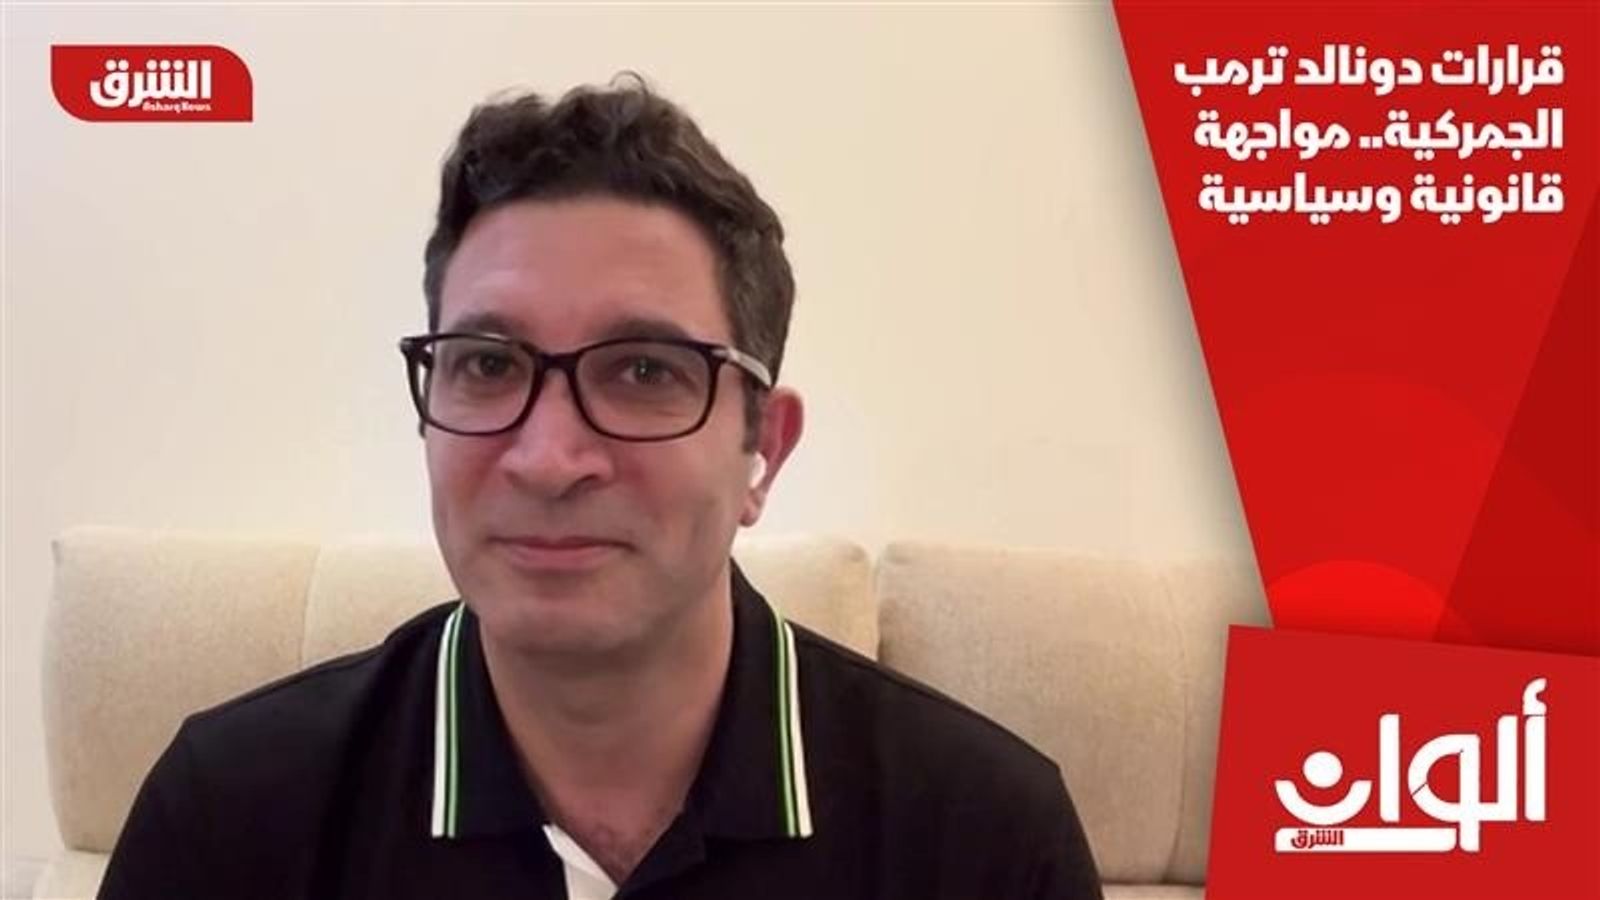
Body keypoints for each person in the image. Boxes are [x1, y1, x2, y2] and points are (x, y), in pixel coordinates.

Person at [99, 74, 1102, 900]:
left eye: (644, 371)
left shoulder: (983, 840)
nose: (548, 458)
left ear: (763, 449)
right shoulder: (230, 818)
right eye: (488, 365)